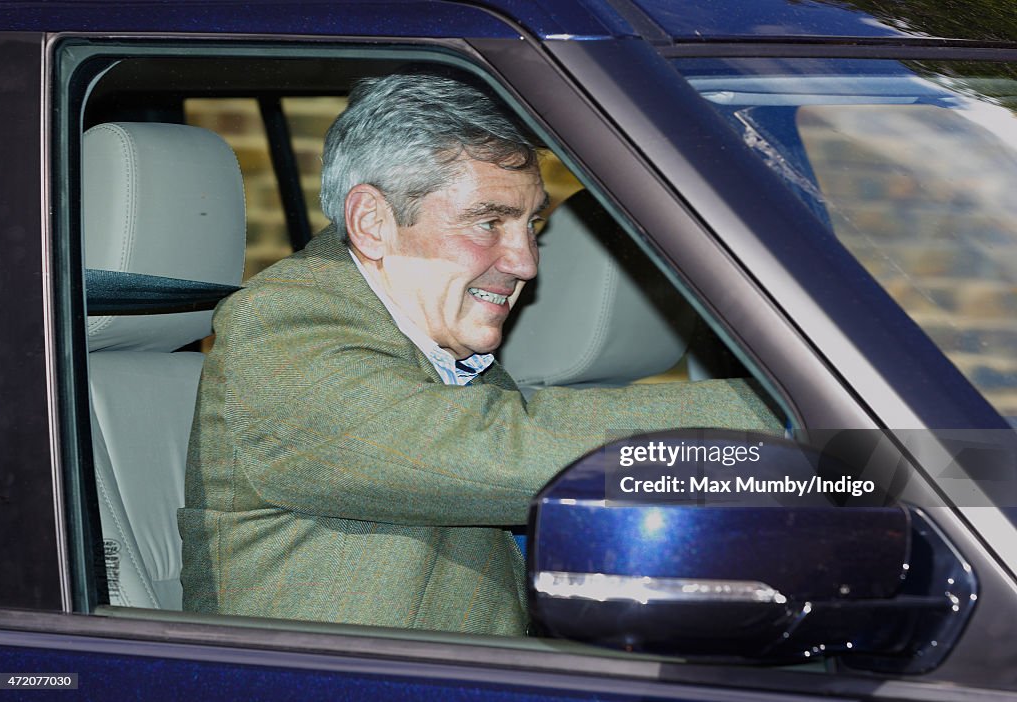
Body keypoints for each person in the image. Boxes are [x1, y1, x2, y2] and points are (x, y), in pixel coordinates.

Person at [178, 70, 782, 635]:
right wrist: (787, 415)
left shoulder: (448, 357)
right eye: (489, 222)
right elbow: (489, 451)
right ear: (372, 223)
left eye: (532, 226)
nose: (526, 263)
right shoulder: (282, 320)